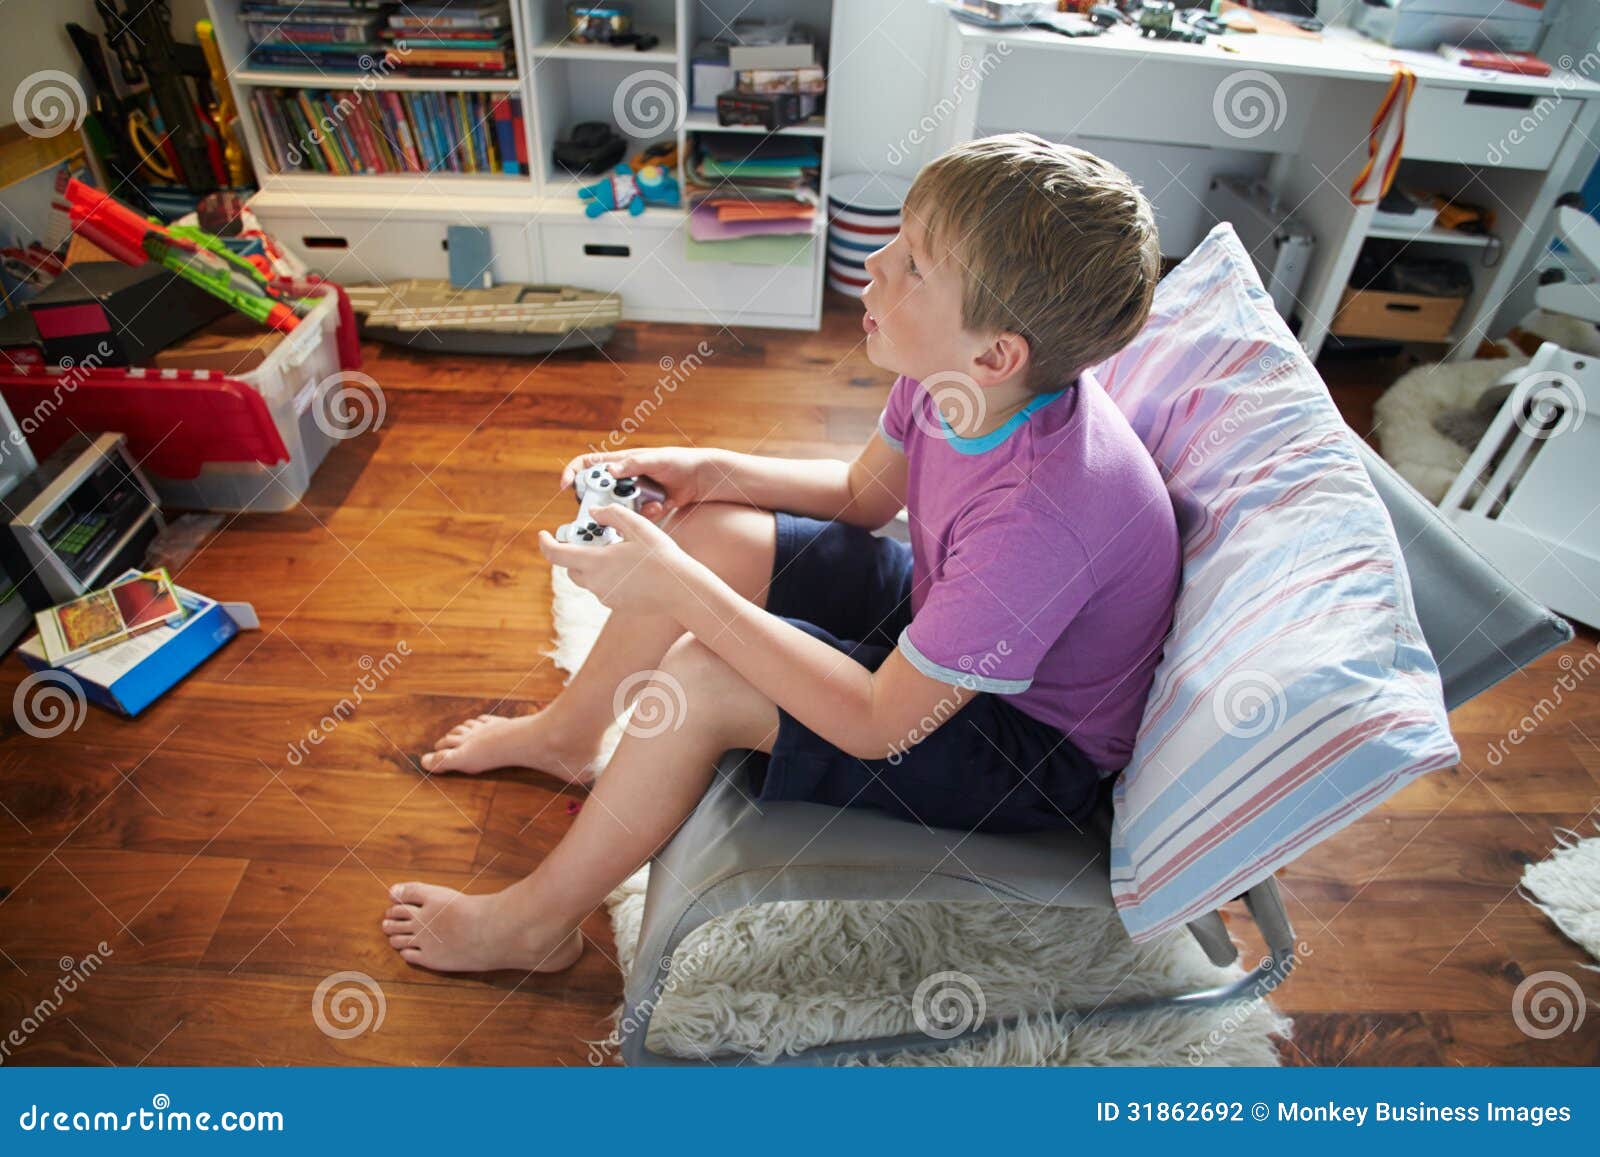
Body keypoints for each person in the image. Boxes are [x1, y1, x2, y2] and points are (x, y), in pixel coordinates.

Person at [381, 132, 1181, 975]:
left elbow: (879, 722)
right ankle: (567, 737)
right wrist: (711, 470)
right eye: (898, 238)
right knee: (716, 529)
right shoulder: (958, 376)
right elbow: (865, 496)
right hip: (948, 621)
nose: (875, 261)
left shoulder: (1040, 519)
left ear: (995, 352)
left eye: (913, 264)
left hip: (1026, 747)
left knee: (702, 674)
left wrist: (683, 593)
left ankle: (531, 925)